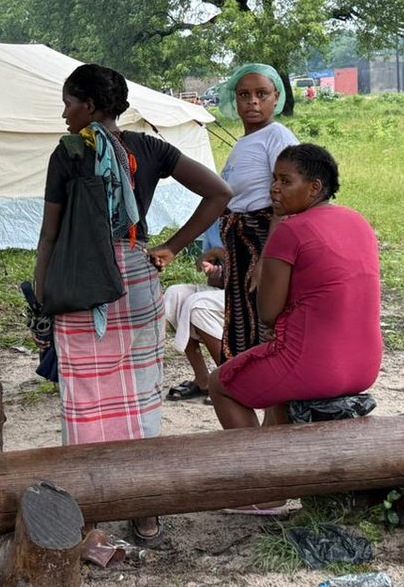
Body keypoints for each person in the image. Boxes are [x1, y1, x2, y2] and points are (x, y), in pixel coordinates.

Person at [35, 64, 231, 546]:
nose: (64, 114)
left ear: (89, 106)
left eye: (68, 104)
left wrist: (43, 292)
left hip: (82, 282)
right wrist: (172, 247)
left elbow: (50, 233)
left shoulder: (69, 152)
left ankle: (89, 512)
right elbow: (219, 193)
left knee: (85, 398)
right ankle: (145, 512)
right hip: (138, 277)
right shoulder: (150, 148)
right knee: (139, 395)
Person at [209, 145, 383, 514]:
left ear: (315, 188)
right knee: (275, 384)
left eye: (286, 181)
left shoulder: (290, 231)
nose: (274, 188)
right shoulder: (358, 221)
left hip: (313, 366)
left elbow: (268, 313)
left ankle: (267, 490)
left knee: (220, 385)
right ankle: (280, 471)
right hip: (365, 364)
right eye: (274, 179)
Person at [217, 64, 298, 362]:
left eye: (261, 94)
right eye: (244, 95)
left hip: (263, 239)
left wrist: (266, 259)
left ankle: (264, 386)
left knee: (262, 322)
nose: (252, 101)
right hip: (242, 243)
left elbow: (285, 201)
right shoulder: (246, 141)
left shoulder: (277, 137)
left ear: (276, 97)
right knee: (242, 322)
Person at [163, 247, 226, 403]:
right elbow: (211, 277)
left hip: (252, 294)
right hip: (224, 290)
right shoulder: (214, 232)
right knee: (175, 294)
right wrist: (212, 270)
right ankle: (203, 379)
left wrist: (219, 253)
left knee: (197, 305)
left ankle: (229, 379)